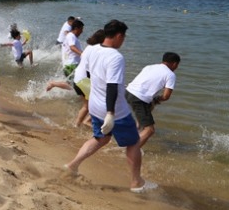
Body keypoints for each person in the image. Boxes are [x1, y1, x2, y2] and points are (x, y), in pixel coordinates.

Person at [64, 20, 155, 193]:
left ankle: (72, 165)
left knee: (101, 138)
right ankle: (136, 183)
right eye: (124, 37)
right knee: (134, 142)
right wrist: (111, 113)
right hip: (115, 110)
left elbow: (89, 74)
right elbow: (112, 86)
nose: (123, 41)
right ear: (119, 36)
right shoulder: (116, 57)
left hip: (95, 105)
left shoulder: (91, 49)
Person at [126, 52, 180, 149]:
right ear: (175, 64)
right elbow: (166, 96)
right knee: (150, 130)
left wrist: (153, 101)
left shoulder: (149, 67)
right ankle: (132, 150)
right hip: (139, 99)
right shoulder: (170, 74)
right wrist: (157, 99)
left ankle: (133, 134)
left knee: (145, 112)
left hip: (127, 92)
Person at [47, 20, 84, 90]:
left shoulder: (71, 36)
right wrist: (82, 54)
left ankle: (53, 84)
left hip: (70, 65)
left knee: (73, 85)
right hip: (72, 65)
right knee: (73, 86)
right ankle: (53, 83)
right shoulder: (71, 36)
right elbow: (72, 47)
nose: (82, 31)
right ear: (76, 28)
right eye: (81, 29)